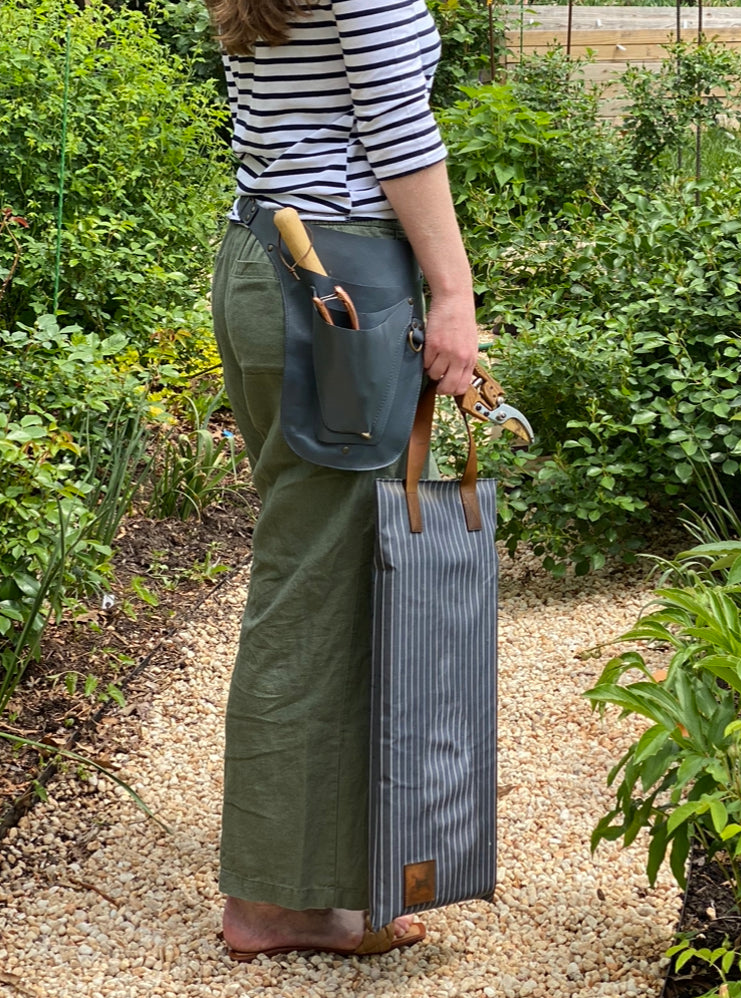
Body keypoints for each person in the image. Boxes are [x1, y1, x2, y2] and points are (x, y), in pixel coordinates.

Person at [205, 0, 478, 960]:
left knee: (318, 566)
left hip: (267, 260)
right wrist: (452, 294)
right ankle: (275, 900)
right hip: (338, 283)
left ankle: (312, 867)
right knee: (316, 581)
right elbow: (399, 133)